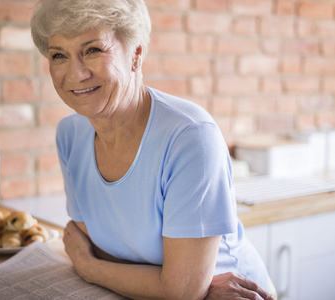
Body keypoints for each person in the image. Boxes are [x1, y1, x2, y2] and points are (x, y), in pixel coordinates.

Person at [31, 0, 275, 299]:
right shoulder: (69, 135)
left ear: (135, 55)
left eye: (93, 50)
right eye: (59, 55)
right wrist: (173, 285)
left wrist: (87, 267)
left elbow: (180, 290)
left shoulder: (190, 137)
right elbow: (95, 246)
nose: (75, 74)